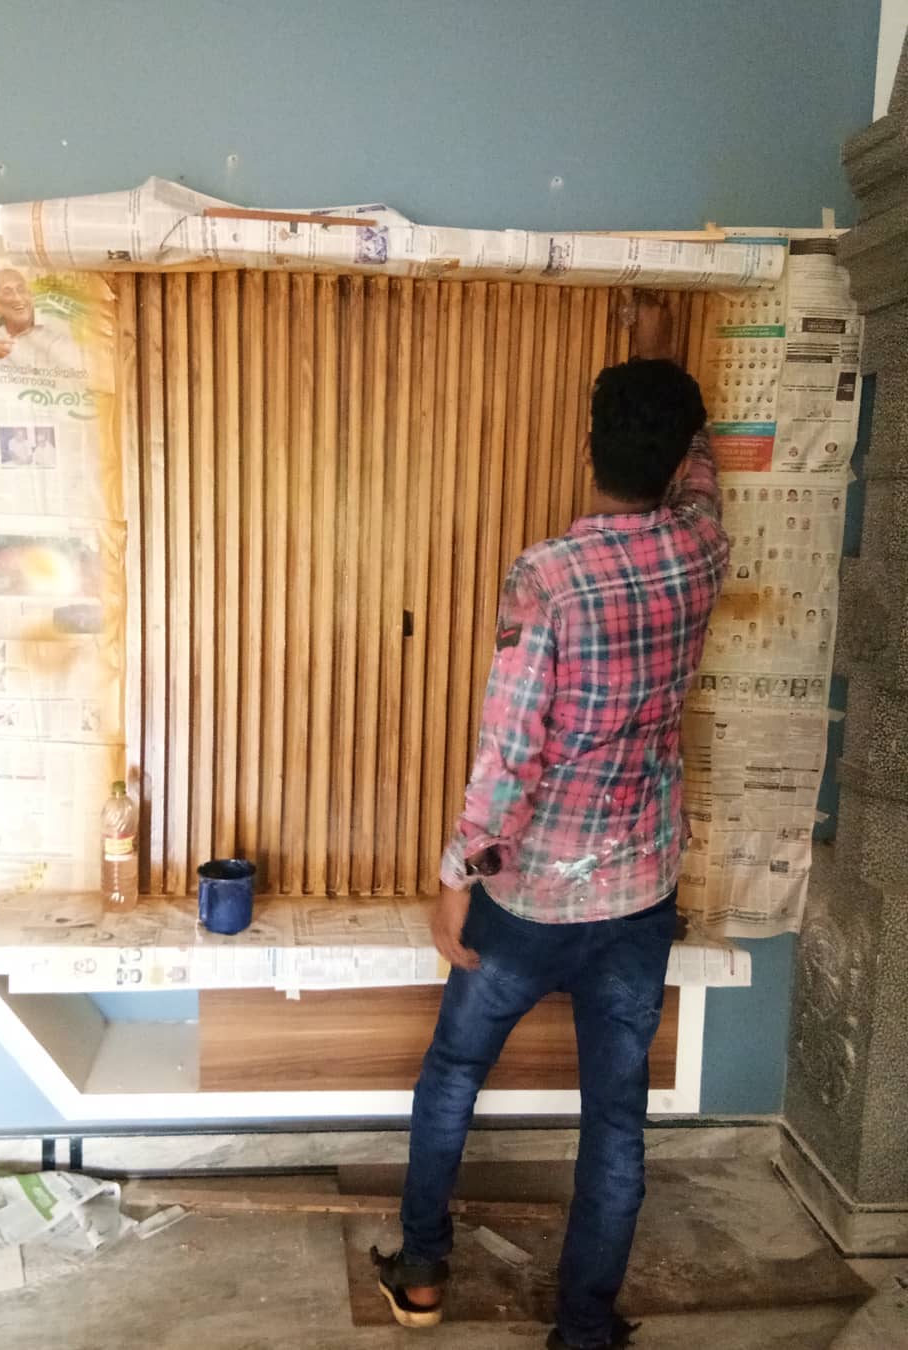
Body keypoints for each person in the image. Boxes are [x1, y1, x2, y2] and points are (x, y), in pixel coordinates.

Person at [372, 357, 727, 1350]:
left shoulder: (548, 578)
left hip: (528, 900)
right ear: (677, 459)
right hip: (639, 896)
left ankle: (424, 1273)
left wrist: (456, 878)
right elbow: (701, 482)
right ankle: (583, 1330)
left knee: (454, 1071)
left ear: (586, 449)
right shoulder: (702, 548)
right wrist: (686, 421)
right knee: (615, 1120)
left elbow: (509, 751)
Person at [0, 268, 85, 372]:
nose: (18, 298)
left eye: (21, 290)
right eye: (8, 292)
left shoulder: (58, 329)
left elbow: (76, 375)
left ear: (30, 295)